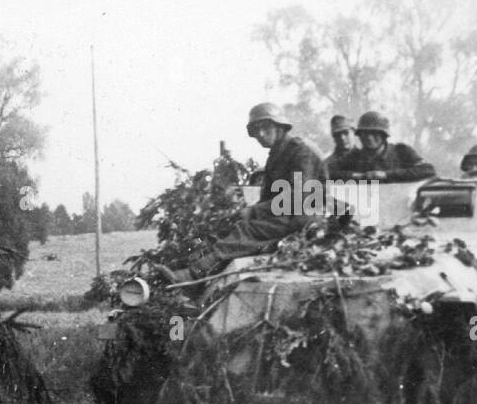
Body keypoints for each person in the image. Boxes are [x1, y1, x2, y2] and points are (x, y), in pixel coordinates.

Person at [160, 104, 325, 283]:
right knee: (236, 226)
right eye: (256, 130)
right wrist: (249, 214)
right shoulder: (276, 155)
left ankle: (192, 276)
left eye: (265, 127)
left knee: (247, 230)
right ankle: (196, 273)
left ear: (279, 126)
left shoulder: (301, 151)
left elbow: (299, 196)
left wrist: (253, 213)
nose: (260, 134)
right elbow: (268, 198)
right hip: (289, 213)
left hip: (309, 215)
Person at [337, 112, 435, 182]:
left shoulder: (401, 152)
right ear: (359, 135)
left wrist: (386, 175)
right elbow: (330, 173)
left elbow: (428, 170)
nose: (369, 138)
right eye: (365, 133)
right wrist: (357, 176)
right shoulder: (354, 157)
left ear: (384, 135)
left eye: (374, 133)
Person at [324, 114, 357, 180]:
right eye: (337, 135)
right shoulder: (327, 164)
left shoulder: (366, 159)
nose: (342, 138)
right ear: (334, 138)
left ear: (354, 132)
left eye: (345, 133)